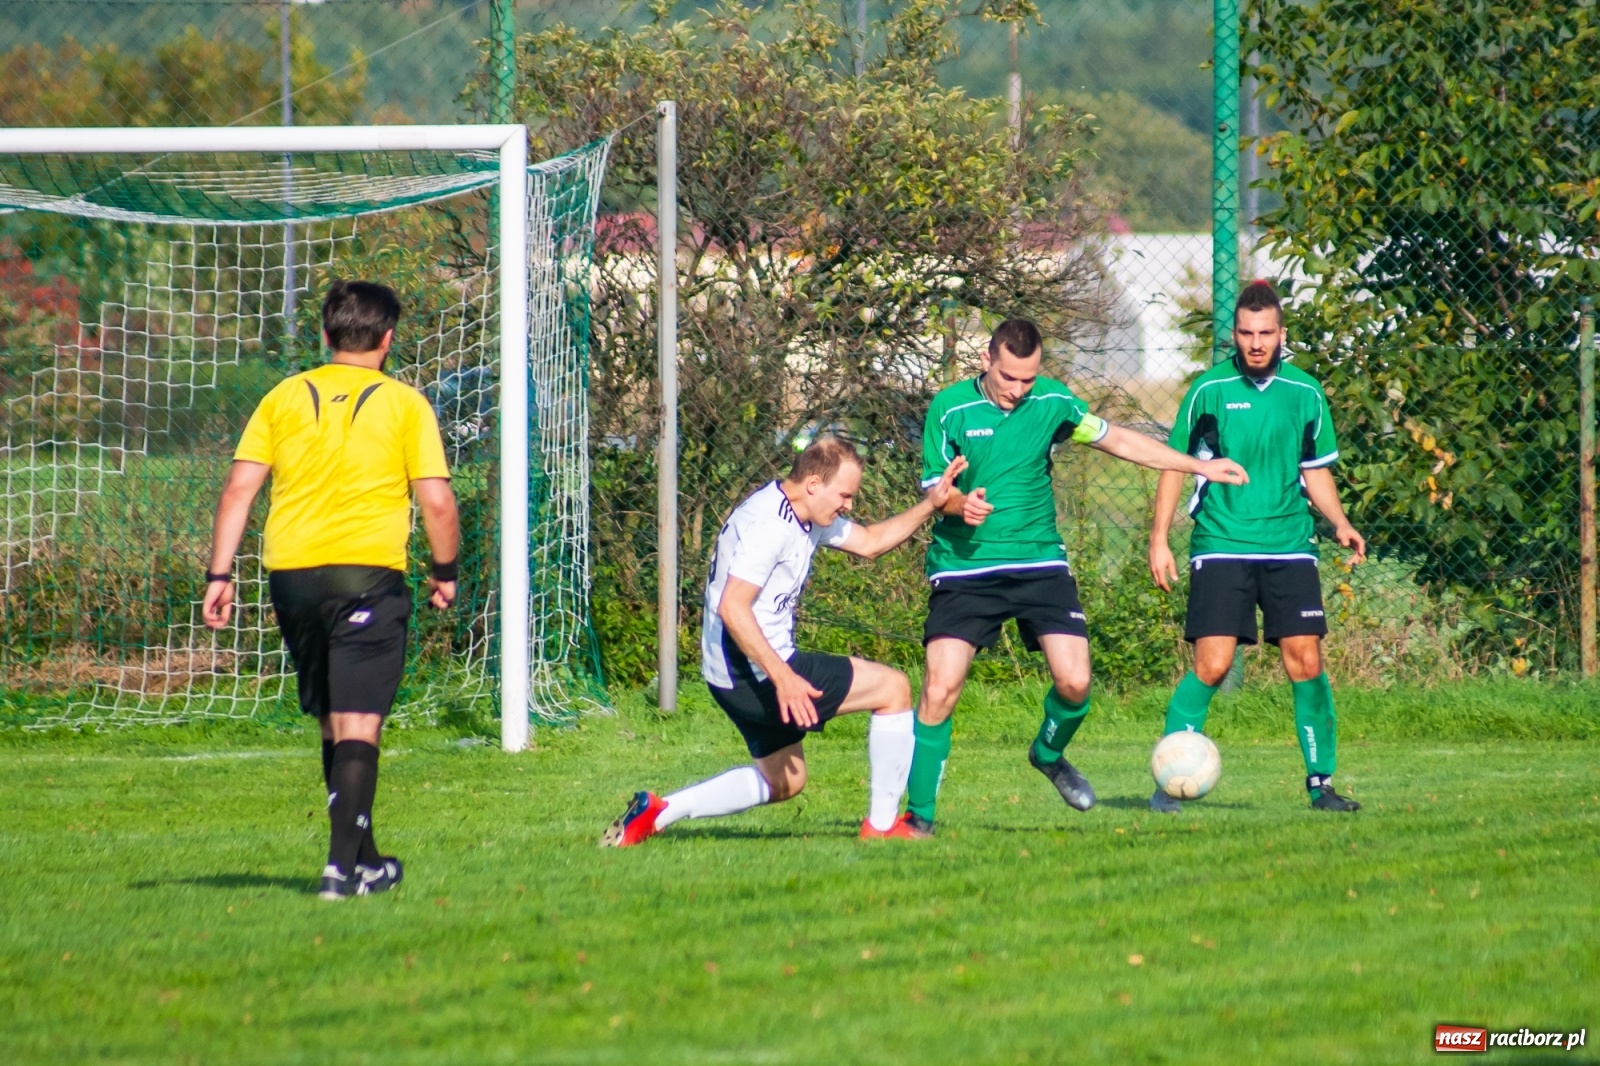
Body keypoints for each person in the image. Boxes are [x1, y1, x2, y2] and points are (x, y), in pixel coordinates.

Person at [901, 318, 1250, 836]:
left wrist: (1199, 467)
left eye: (1028, 378)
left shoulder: (1054, 403)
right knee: (940, 687)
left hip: (1039, 561)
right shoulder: (949, 409)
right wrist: (958, 504)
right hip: (964, 567)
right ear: (986, 360)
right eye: (1009, 378)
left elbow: (1122, 442)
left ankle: (1047, 752)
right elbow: (937, 491)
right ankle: (920, 819)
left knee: (1076, 680)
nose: (1020, 390)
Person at [202, 280, 461, 899]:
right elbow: (437, 501)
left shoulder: (284, 396)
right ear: (389, 339)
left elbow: (239, 491)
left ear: (325, 335)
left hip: (290, 579)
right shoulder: (404, 404)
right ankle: (338, 872)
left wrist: (219, 574)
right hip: (366, 576)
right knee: (360, 724)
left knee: (333, 724)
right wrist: (445, 571)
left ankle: (366, 860)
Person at [602, 437, 967, 846]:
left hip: (730, 675)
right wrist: (784, 678)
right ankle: (882, 829)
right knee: (893, 688)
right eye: (844, 495)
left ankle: (657, 812)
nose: (848, 504)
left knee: (786, 780)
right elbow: (732, 607)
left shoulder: (801, 510)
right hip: (757, 669)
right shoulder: (770, 526)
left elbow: (869, 543)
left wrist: (930, 504)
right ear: (814, 484)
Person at [1147, 280, 1365, 813]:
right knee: (1214, 665)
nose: (1256, 342)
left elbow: (1314, 471)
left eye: (1266, 332)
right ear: (1235, 336)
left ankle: (1321, 784)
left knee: (1305, 661)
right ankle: (1168, 778)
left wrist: (1338, 522)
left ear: (1281, 333)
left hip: (1290, 545)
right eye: (1247, 333)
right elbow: (1176, 465)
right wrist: (1160, 539)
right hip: (1222, 542)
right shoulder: (1209, 391)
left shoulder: (1305, 393)